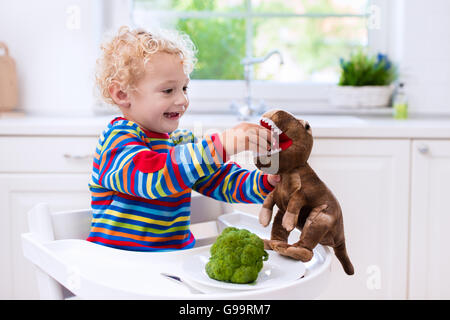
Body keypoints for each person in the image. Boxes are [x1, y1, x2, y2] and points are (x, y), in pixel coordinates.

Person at [87, 26, 280, 251]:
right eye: (168, 91)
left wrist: (266, 183)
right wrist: (222, 145)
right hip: (119, 269)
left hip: (172, 266)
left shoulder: (180, 143)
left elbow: (220, 179)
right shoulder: (117, 140)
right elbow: (155, 178)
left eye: (184, 88)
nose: (182, 100)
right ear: (122, 95)